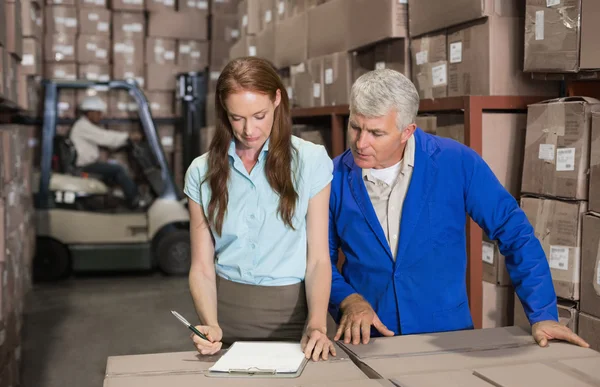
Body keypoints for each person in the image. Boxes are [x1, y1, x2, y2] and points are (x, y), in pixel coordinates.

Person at [328, 69, 590, 349]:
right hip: (369, 339)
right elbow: (317, 260)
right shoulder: (331, 178)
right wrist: (348, 299)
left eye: (376, 133)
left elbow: (515, 234)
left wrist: (543, 314)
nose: (360, 142)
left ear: (407, 131)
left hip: (447, 337)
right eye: (355, 127)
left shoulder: (456, 162)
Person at [183, 57, 336, 361]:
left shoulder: (310, 160)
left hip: (296, 321)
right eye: (236, 117)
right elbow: (201, 265)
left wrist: (316, 323)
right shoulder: (200, 172)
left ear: (277, 99)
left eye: (259, 115)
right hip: (224, 319)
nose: (248, 129)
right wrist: (210, 325)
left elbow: (318, 258)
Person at [70, 95, 144, 209]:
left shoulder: (85, 125)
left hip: (88, 165)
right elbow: (105, 137)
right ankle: (135, 200)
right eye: (98, 113)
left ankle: (115, 200)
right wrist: (128, 136)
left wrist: (125, 141)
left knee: (115, 172)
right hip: (85, 167)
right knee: (118, 169)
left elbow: (105, 138)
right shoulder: (83, 126)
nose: (100, 116)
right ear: (90, 113)